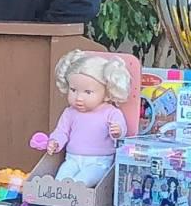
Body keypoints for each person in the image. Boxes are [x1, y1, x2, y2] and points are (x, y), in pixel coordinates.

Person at [46, 49, 131, 187]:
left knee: (81, 182)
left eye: (88, 92)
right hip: (72, 159)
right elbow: (62, 131)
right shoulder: (70, 112)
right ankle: (62, 203)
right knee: (60, 181)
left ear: (107, 93)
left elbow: (121, 130)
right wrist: (55, 141)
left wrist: (118, 131)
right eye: (73, 90)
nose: (79, 98)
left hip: (98, 162)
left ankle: (77, 201)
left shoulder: (110, 112)